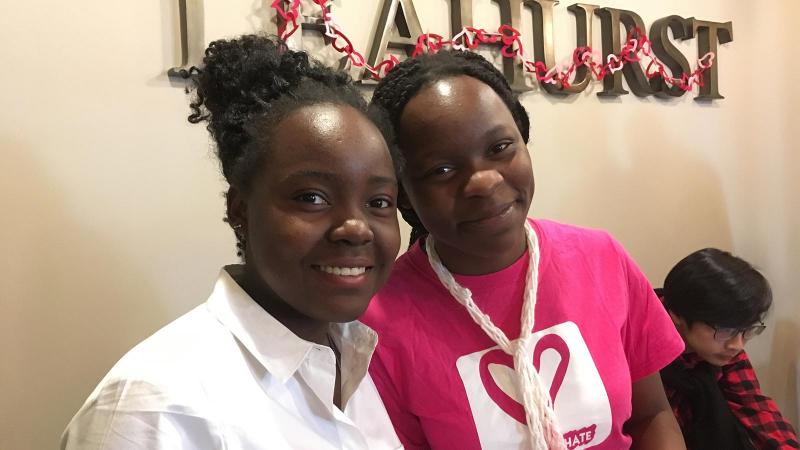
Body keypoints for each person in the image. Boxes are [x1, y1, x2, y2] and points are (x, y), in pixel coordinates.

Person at [61, 35, 404, 449]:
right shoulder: (155, 409)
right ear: (240, 209)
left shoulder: (352, 360)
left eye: (378, 201)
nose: (356, 227)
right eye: (312, 197)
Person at [360, 49, 686, 450]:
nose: (482, 181)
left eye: (499, 148)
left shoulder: (602, 257)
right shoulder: (375, 320)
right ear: (403, 194)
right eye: (441, 170)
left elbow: (652, 416)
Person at [658, 248, 799, 449]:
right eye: (725, 330)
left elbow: (754, 407)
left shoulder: (722, 345)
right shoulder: (641, 346)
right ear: (677, 314)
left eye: (747, 330)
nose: (737, 345)